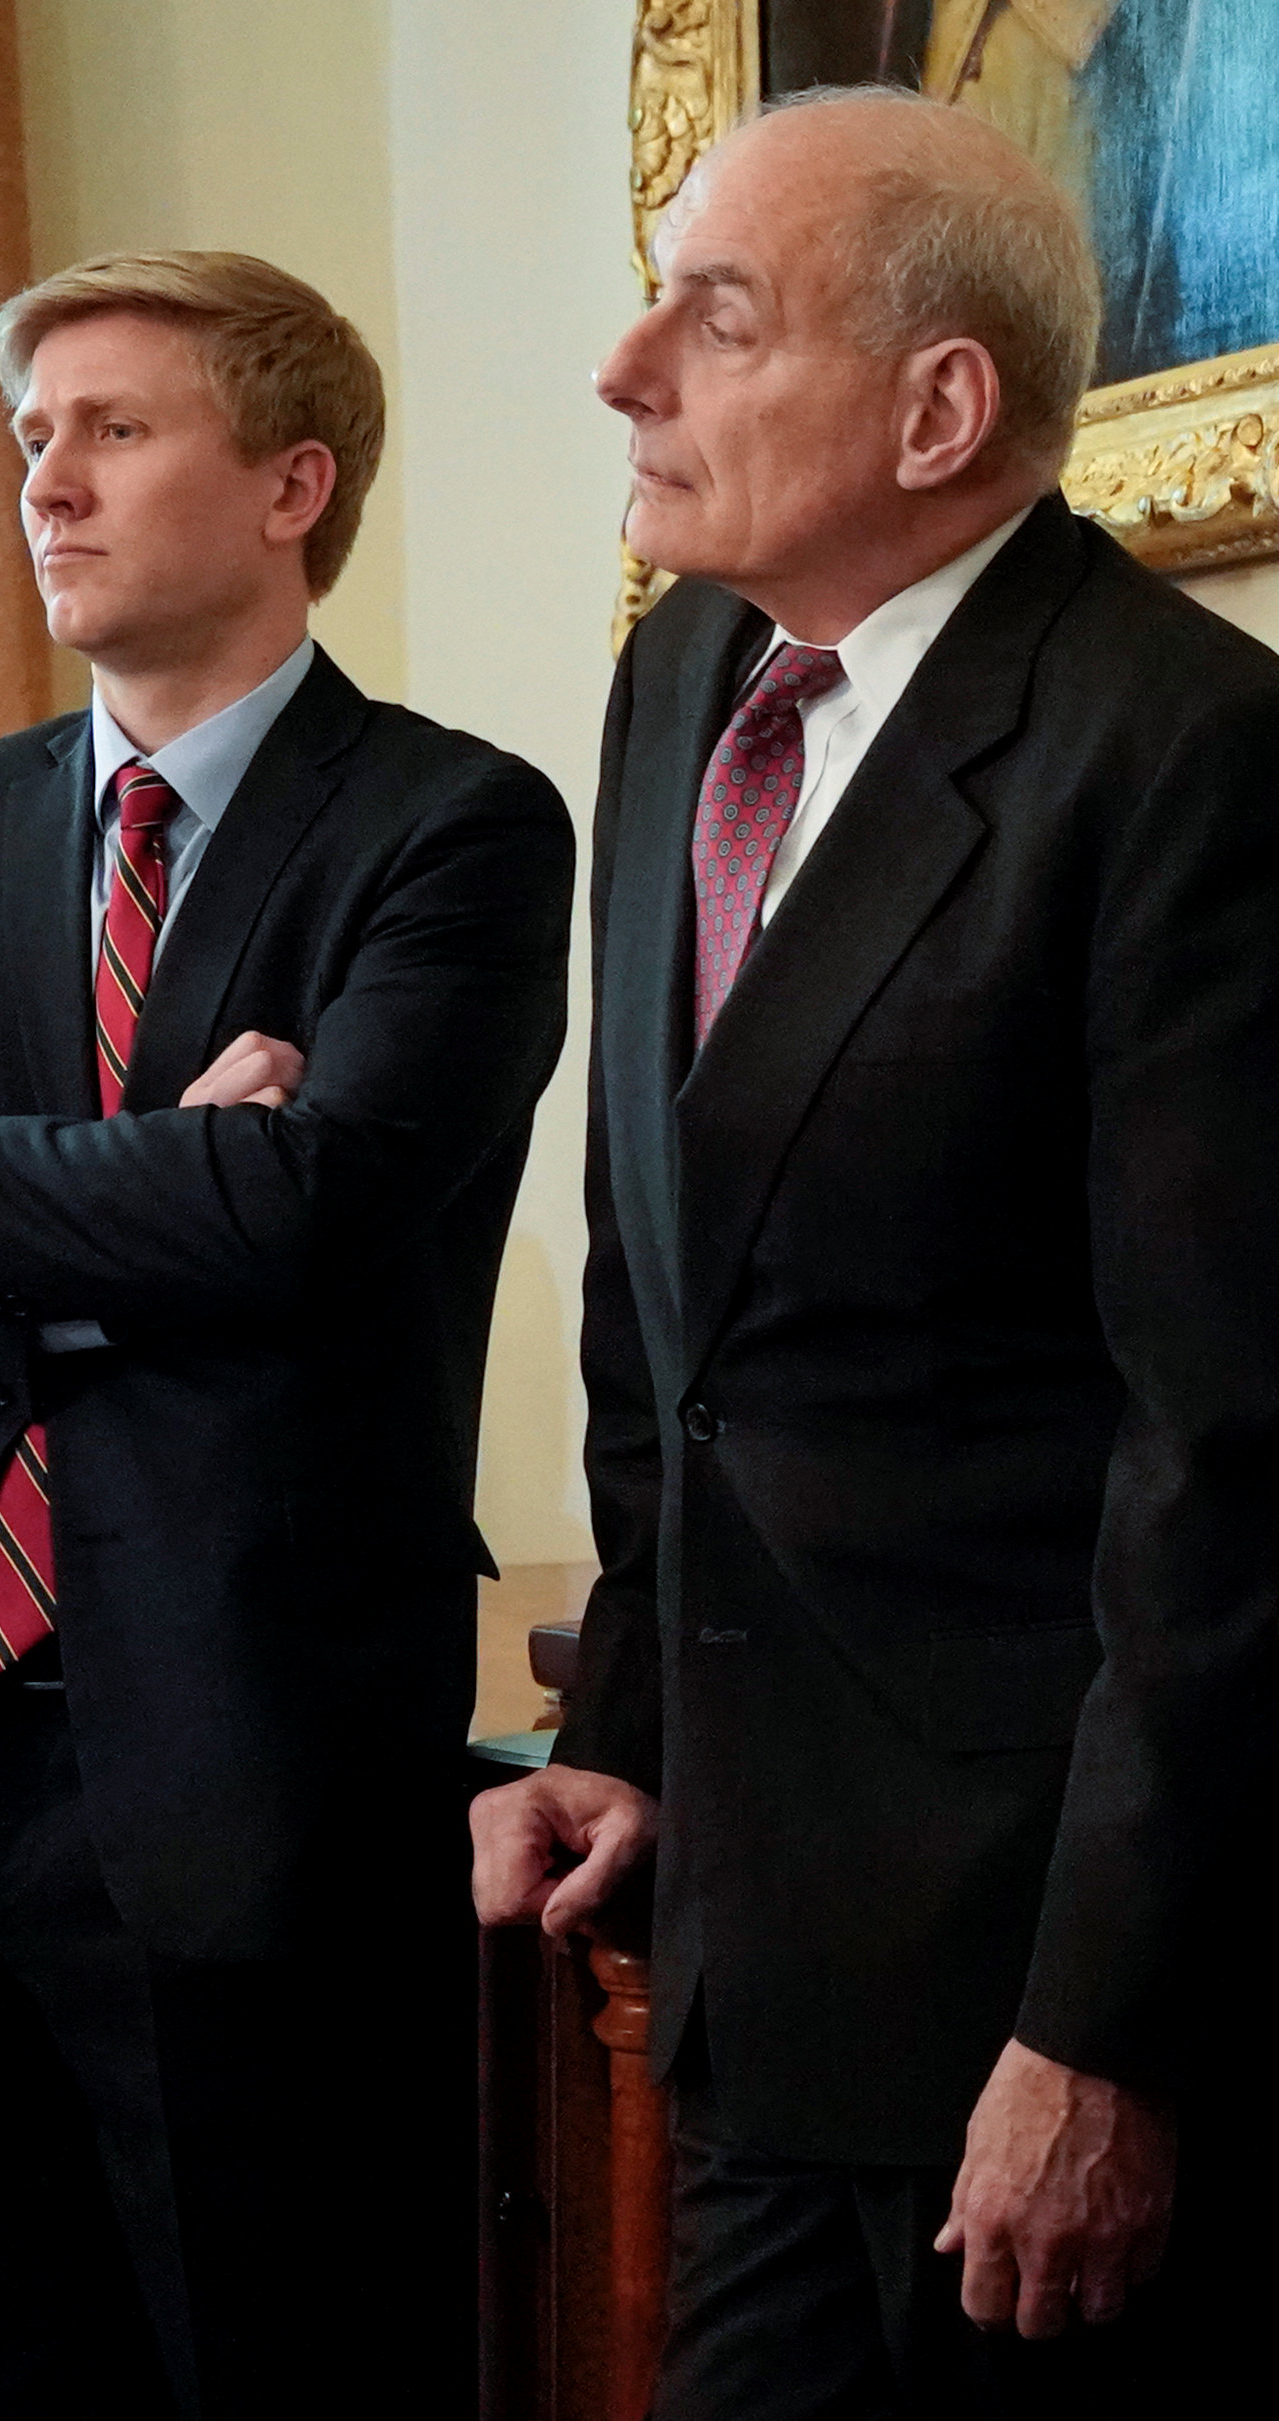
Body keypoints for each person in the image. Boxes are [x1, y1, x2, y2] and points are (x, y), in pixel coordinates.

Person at [0, 250, 573, 2421]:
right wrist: (133, 1199)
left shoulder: (450, 823)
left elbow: (311, 1206)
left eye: (113, 428)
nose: (45, 482)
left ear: (292, 480)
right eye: (29, 438)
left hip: (248, 1765)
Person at [471, 87, 1277, 2420]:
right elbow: (668, 1305)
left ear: (938, 408)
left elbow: (1225, 1464)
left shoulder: (1183, 758)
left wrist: (1102, 2032)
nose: (625, 366)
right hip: (740, 1933)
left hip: (1027, 1988)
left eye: (713, 321)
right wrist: (623, 1734)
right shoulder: (677, 682)